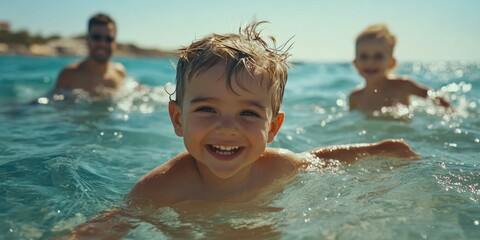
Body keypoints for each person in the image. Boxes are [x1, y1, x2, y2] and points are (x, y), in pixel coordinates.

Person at [70, 20, 419, 238]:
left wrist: (375, 150)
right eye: (207, 109)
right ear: (178, 119)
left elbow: (320, 159)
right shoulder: (164, 186)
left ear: (273, 128)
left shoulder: (277, 166)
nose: (227, 128)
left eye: (249, 114)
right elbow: (112, 224)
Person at [349, 24, 453, 113]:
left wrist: (451, 112)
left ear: (391, 63)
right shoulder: (355, 97)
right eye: (364, 56)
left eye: (378, 56)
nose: (370, 62)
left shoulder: (403, 86)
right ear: (355, 64)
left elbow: (435, 97)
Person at [52, 13, 126, 98]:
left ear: (115, 42)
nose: (103, 43)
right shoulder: (68, 75)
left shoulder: (120, 72)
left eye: (108, 39)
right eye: (96, 37)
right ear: (87, 39)